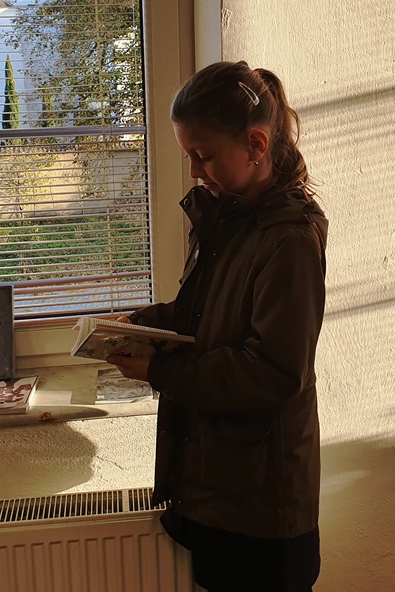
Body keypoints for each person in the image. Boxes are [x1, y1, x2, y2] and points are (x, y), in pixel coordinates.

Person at [107, 60, 328, 592]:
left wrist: (160, 372)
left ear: (256, 145)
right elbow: (209, 314)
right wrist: (145, 324)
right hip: (217, 487)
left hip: (262, 504)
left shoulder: (289, 240)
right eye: (189, 155)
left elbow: (273, 373)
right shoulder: (227, 217)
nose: (193, 171)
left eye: (202, 156)